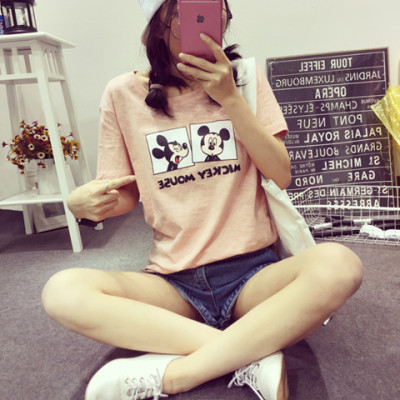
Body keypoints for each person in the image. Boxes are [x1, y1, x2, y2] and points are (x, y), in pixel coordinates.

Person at [41, 1, 363, 399]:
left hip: (253, 275)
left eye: (215, 9)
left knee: (340, 266)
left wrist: (230, 99)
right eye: (186, 11)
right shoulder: (121, 94)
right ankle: (247, 353)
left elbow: (281, 174)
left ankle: (179, 374)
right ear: (158, 22)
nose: (207, 23)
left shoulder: (245, 79)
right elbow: (123, 193)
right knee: (62, 291)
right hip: (174, 282)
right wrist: (81, 204)